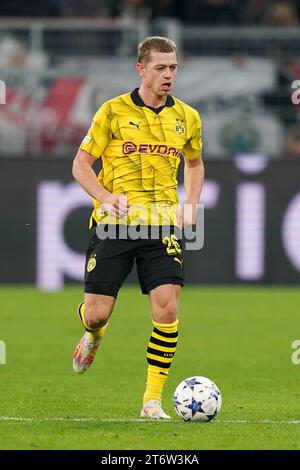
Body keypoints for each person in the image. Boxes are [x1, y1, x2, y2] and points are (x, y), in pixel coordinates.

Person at [72, 36, 204, 419]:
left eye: (173, 67)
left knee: (167, 308)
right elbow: (81, 165)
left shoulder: (188, 117)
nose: (168, 75)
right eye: (160, 67)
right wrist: (104, 195)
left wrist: (191, 204)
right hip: (114, 225)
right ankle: (93, 334)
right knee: (98, 312)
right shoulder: (112, 112)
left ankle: (151, 401)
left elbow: (194, 164)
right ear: (141, 69)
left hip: (162, 226)